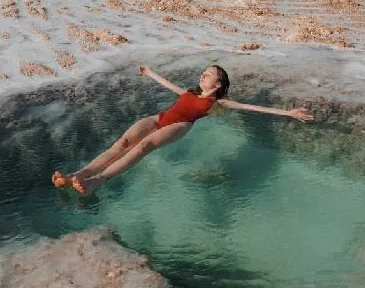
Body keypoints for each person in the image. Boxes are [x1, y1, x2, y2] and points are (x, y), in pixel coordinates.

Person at [52, 64, 314, 195]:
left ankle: (96, 181)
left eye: (209, 74)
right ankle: (77, 175)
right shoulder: (191, 91)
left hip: (179, 126)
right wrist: (150, 72)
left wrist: (288, 113)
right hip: (160, 117)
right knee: (122, 144)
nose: (203, 75)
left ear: (219, 83)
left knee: (143, 147)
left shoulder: (216, 101)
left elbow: (249, 107)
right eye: (203, 72)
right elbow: (170, 86)